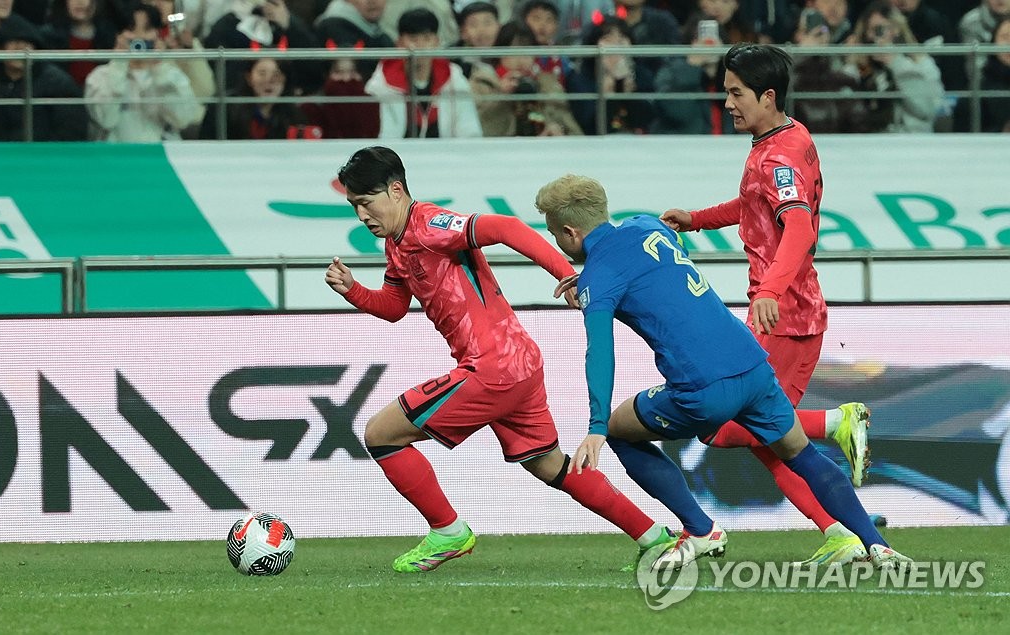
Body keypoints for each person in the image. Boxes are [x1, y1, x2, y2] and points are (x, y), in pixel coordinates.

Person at [323, 146, 675, 573]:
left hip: (492, 366)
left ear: (396, 190)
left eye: (366, 202)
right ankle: (654, 537)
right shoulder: (396, 246)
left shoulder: (430, 224)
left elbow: (506, 227)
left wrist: (564, 271)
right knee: (548, 464)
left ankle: (448, 530)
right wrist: (353, 291)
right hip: (519, 363)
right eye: (354, 206)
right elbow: (395, 306)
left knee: (381, 434)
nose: (361, 215)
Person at [535, 173, 912, 570]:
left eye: (554, 235)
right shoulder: (645, 225)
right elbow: (646, 270)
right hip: (751, 365)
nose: (557, 243)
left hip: (701, 387)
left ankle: (700, 529)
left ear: (570, 232)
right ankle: (878, 546)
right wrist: (596, 281)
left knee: (618, 430)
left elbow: (600, 351)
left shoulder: (600, 278)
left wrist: (594, 426)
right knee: (801, 454)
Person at [659, 43, 875, 566]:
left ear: (768, 95)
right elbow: (753, 204)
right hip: (793, 311)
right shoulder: (784, 138)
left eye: (736, 93)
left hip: (785, 315)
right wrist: (697, 218)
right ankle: (839, 534)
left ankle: (834, 423)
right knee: (767, 436)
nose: (727, 102)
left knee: (723, 425)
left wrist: (771, 292)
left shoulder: (777, 155)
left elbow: (797, 225)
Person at [84, 3, 202, 141]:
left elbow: (183, 120)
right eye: (132, 29)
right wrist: (119, 65)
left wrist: (159, 68)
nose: (139, 37)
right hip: (116, 157)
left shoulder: (172, 74)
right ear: (118, 35)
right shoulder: (99, 76)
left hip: (161, 156)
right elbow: (105, 120)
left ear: (157, 34)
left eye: (147, 29)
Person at [364, 8, 482, 138]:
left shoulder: (454, 77)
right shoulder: (380, 83)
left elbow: (470, 131)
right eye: (413, 39)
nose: (420, 46)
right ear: (399, 43)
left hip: (446, 155)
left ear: (436, 41)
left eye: (427, 38)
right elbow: (380, 137)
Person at [0, 14, 89, 141]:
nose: (21, 50)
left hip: (43, 156)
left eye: (27, 44)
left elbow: (72, 130)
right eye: (15, 43)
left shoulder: (58, 83)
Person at [842, 1, 944, 133]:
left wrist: (896, 63)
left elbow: (928, 110)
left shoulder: (921, 63)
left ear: (897, 29)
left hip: (913, 140)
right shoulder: (855, 69)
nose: (878, 37)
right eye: (874, 30)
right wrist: (860, 68)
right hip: (868, 142)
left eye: (883, 29)